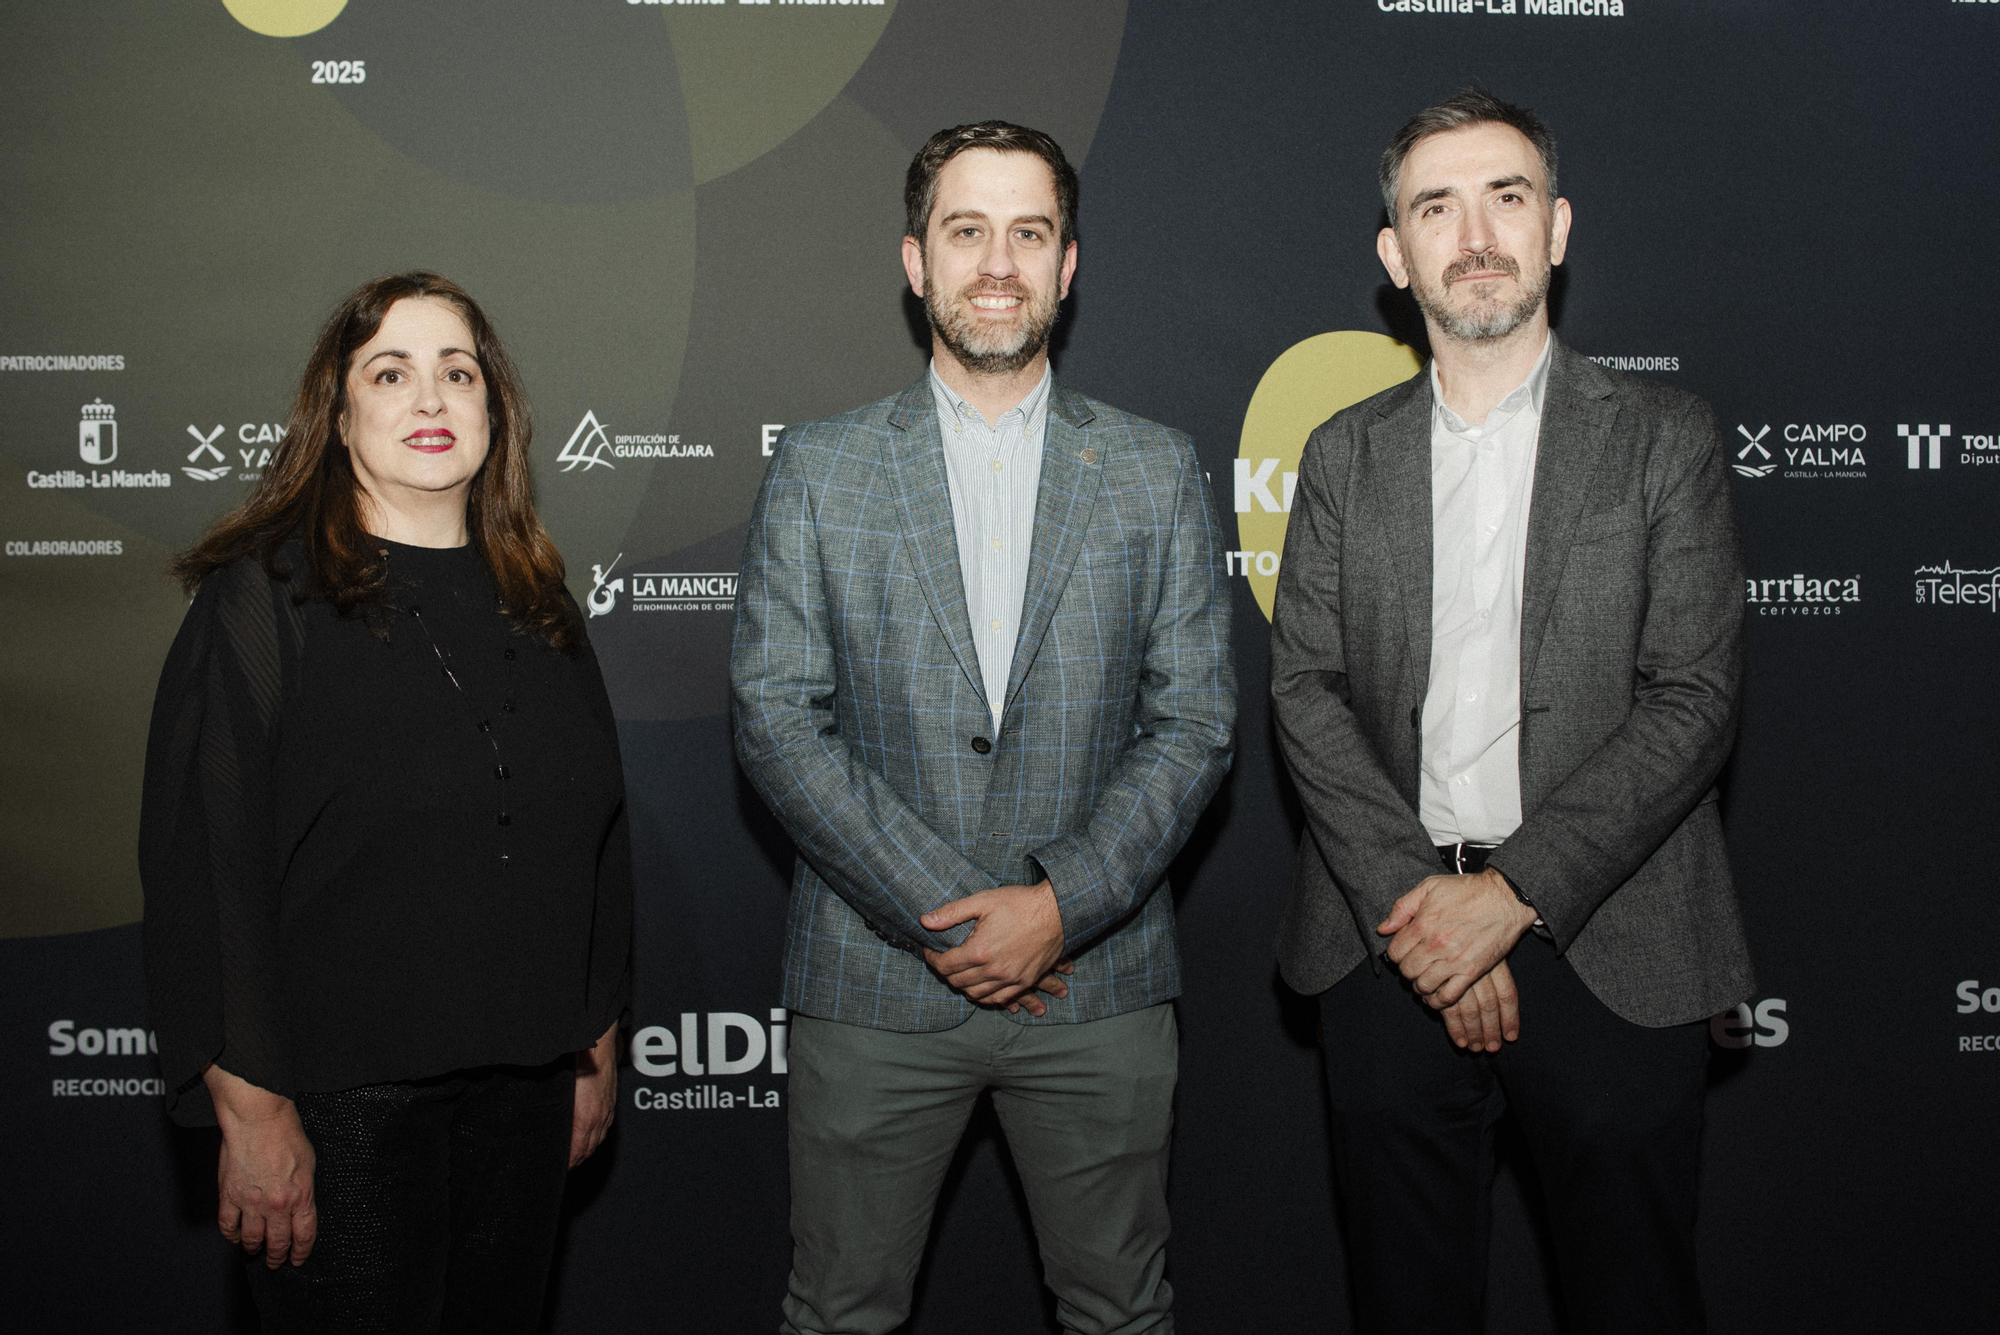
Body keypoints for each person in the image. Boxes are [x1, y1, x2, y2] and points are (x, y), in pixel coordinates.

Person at [731, 121, 1236, 1335]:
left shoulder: (1154, 470)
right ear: (916, 262)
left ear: (1067, 266)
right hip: (874, 981)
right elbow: (776, 718)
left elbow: (1195, 722)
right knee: (838, 1313)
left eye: (1028, 233)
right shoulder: (820, 469)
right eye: (967, 232)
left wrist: (1058, 906)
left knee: (1120, 1312)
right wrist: (952, 916)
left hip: (1097, 983)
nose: (997, 262)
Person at [1269, 90, 1752, 1333]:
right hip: (1388, 942)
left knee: (1633, 1303)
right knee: (1405, 1306)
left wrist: (1512, 894)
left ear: (1556, 230)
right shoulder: (1339, 454)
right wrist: (1430, 913)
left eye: (1506, 197)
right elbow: (1305, 694)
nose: (1473, 233)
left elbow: (1691, 699)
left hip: (1614, 945)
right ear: (1394, 254)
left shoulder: (1665, 438)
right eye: (1435, 205)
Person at [141, 272, 632, 1332]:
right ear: (340, 411)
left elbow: (593, 842)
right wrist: (253, 1111)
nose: (429, 400)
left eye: (458, 374)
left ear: (494, 413)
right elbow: (204, 871)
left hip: (524, 1088)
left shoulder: (539, 599)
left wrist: (592, 1040)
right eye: (391, 373)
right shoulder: (264, 598)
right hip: (337, 1104)